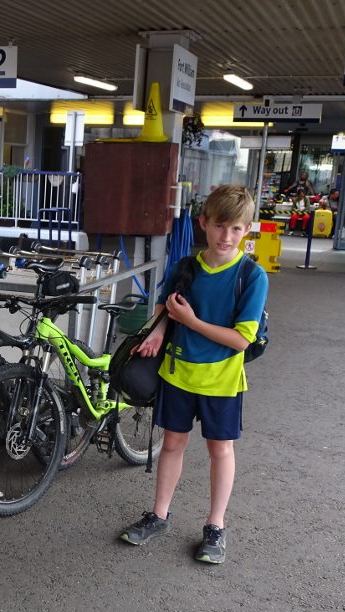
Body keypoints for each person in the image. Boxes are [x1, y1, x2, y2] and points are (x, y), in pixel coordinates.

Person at [119, 184, 269, 564]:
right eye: (220, 226)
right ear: (203, 223)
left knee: (220, 449)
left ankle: (215, 526)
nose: (226, 236)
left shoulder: (252, 276)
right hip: (177, 372)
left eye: (236, 229)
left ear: (247, 230)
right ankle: (158, 515)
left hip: (222, 379)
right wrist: (156, 333)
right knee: (172, 444)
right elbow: (167, 311)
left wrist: (192, 321)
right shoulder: (185, 267)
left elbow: (239, 340)